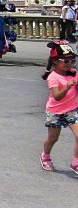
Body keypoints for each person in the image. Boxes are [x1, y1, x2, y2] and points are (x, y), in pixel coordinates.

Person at [40, 41, 78, 174]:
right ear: (55, 61)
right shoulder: (53, 77)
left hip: (72, 110)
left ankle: (76, 162)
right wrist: (67, 87)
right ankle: (45, 156)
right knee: (53, 138)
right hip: (55, 112)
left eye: (72, 60)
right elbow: (57, 96)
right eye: (65, 60)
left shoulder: (74, 73)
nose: (69, 63)